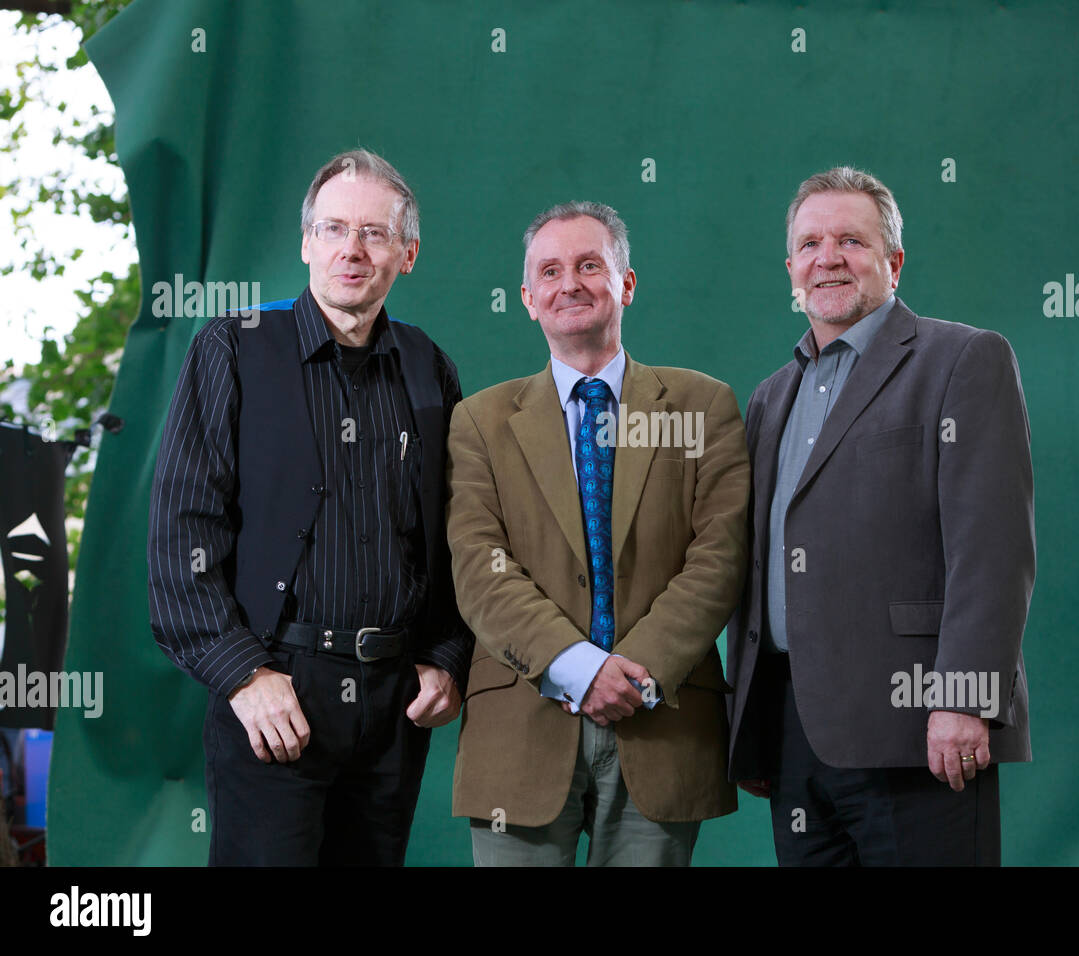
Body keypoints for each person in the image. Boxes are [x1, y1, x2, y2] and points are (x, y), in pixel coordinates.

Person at [147, 149, 472, 865]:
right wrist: (243, 676)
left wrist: (448, 655)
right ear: (306, 243)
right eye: (333, 229)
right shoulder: (232, 350)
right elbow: (180, 536)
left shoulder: (429, 368)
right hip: (275, 690)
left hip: (394, 706)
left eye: (375, 233)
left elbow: (459, 533)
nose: (351, 250)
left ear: (408, 253)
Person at [727, 167, 1035, 866]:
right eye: (809, 244)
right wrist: (749, 721)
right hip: (791, 736)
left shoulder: (962, 360)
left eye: (850, 241)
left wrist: (965, 699)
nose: (827, 258)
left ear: (893, 263)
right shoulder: (771, 397)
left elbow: (993, 551)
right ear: (790, 269)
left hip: (920, 728)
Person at [445, 201, 748, 866]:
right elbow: (478, 565)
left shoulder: (703, 406)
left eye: (590, 265)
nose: (570, 283)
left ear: (627, 283)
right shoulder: (480, 422)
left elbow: (719, 558)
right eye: (550, 271)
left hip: (660, 724)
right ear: (527, 298)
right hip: (520, 729)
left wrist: (633, 676)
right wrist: (577, 668)